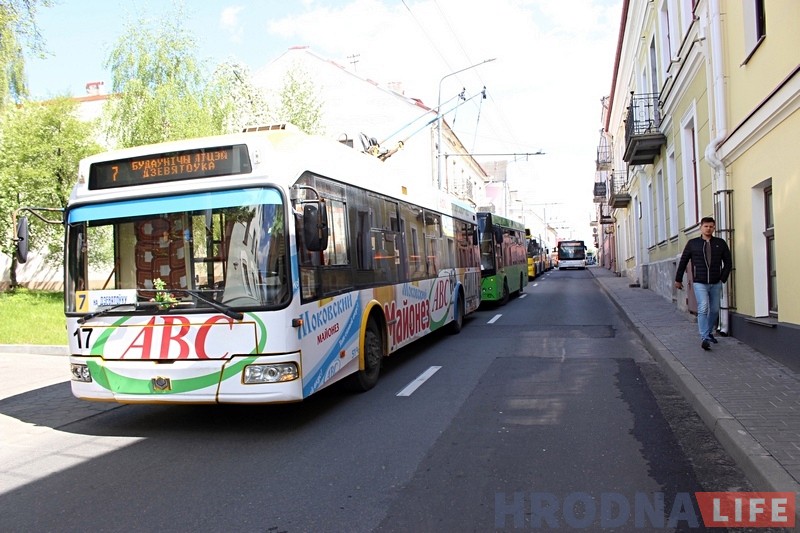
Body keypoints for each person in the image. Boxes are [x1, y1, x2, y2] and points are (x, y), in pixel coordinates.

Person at [675, 216, 732, 351]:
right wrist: (678, 279)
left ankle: (708, 332)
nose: (708, 229)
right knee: (703, 307)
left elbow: (728, 262)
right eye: (706, 226)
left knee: (715, 309)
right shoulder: (693, 243)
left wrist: (722, 278)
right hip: (700, 282)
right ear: (701, 227)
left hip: (715, 282)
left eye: (711, 226)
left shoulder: (720, 243)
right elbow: (683, 261)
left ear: (714, 228)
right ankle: (704, 337)